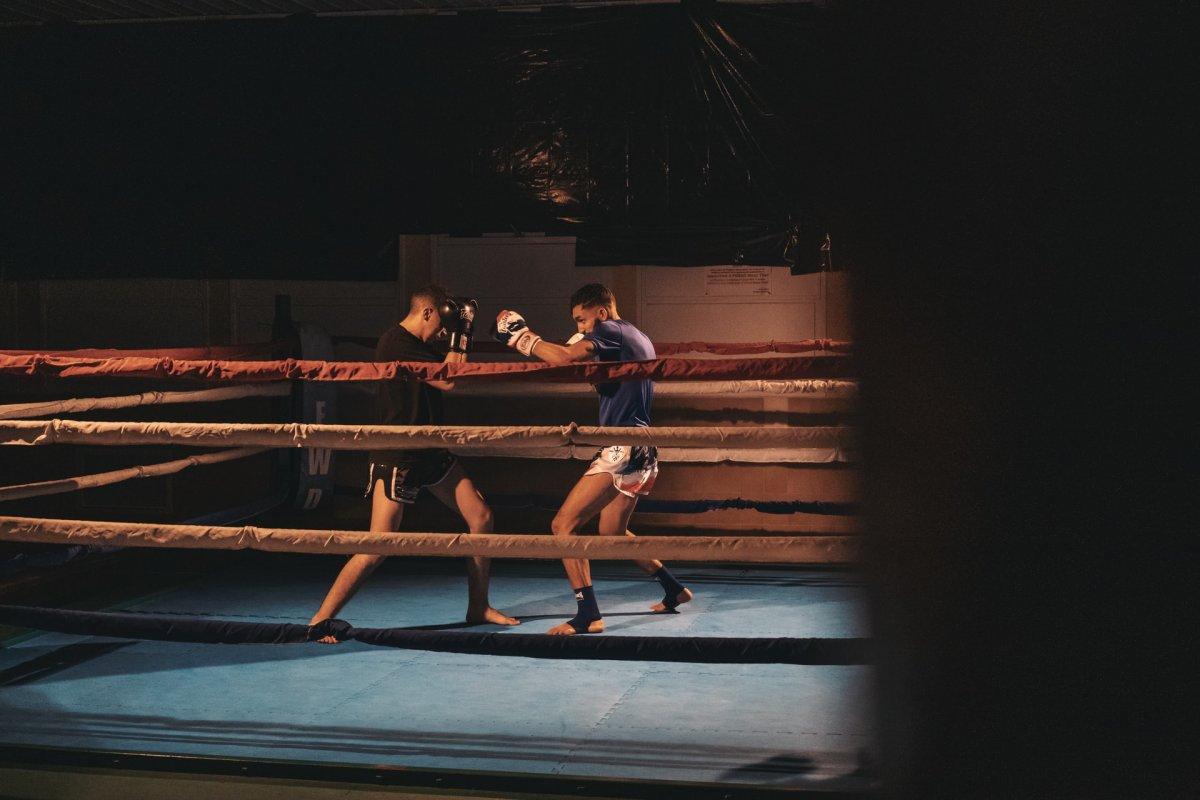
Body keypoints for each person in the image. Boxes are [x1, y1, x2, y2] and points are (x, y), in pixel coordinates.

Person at [309, 285, 519, 641]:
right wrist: (462, 335)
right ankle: (320, 619)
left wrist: (455, 335)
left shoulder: (420, 347)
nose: (443, 330)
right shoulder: (396, 344)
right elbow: (451, 382)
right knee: (380, 544)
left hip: (431, 452)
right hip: (400, 455)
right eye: (442, 322)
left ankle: (478, 606)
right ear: (427, 313)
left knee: (480, 517)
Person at [493, 282, 692, 635]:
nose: (581, 329)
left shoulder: (610, 330)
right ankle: (673, 588)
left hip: (622, 446)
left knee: (563, 526)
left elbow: (567, 358)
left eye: (582, 320)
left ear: (600, 312)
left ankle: (588, 614)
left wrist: (523, 339)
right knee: (611, 530)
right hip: (644, 447)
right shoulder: (635, 335)